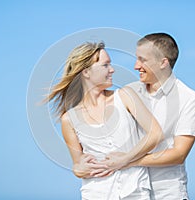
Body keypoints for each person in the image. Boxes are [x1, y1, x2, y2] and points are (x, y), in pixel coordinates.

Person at [89, 33, 195, 200]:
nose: (136, 66)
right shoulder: (129, 92)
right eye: (137, 59)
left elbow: (179, 154)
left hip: (168, 194)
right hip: (130, 193)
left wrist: (129, 161)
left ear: (163, 62)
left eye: (143, 60)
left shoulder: (189, 99)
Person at [45, 42, 163, 200]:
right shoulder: (69, 119)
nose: (112, 69)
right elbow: (78, 164)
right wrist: (78, 168)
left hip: (136, 192)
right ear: (86, 72)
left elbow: (155, 134)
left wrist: (125, 159)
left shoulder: (125, 96)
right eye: (105, 65)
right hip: (96, 194)